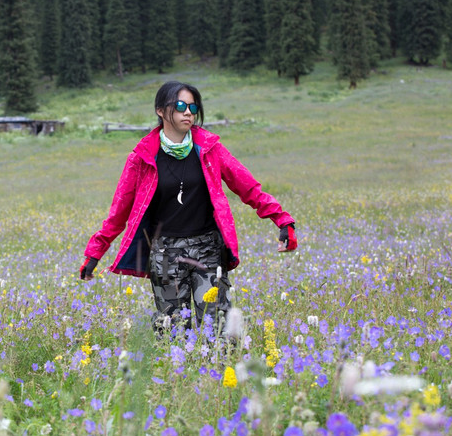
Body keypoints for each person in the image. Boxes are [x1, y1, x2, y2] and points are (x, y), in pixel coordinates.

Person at [79, 81, 297, 331]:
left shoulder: (210, 149)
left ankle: (217, 369)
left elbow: (248, 187)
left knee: (219, 331)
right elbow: (118, 212)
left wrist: (283, 220)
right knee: (173, 334)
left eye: (193, 107)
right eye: (181, 105)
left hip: (207, 250)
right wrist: (94, 253)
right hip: (165, 255)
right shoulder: (141, 158)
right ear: (161, 110)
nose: (188, 113)